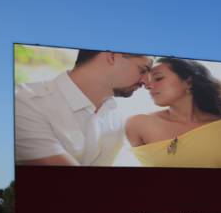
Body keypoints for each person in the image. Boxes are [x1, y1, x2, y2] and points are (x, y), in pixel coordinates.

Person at [16, 50, 153, 166]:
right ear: (112, 56)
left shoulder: (118, 117)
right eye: (142, 70)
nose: (147, 82)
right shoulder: (24, 101)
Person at [126, 57, 221, 169]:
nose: (148, 86)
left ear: (188, 82)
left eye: (158, 78)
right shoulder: (139, 125)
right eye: (147, 81)